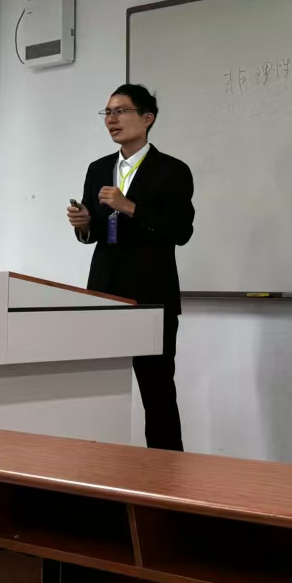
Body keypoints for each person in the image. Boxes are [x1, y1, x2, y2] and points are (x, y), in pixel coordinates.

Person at [68, 84, 195, 451]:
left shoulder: (172, 170)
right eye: (107, 112)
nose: (112, 119)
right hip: (104, 294)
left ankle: (166, 474)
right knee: (100, 392)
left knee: (157, 393)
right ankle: (101, 469)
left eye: (120, 111)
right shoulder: (97, 169)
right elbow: (96, 233)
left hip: (152, 296)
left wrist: (130, 207)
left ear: (147, 117)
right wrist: (83, 225)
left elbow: (181, 231)